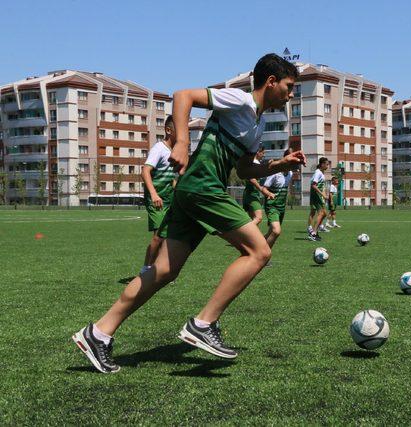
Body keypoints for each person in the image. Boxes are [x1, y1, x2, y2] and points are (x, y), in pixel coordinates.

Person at [72, 53, 305, 373]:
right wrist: (181, 142)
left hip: (195, 191)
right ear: (271, 82)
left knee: (164, 270)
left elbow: (243, 167)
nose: (291, 94)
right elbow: (184, 96)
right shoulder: (239, 100)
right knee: (259, 251)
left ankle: (98, 333)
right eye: (289, 87)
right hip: (202, 187)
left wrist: (279, 164)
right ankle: (204, 324)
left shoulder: (257, 123)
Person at [139, 116, 177, 274]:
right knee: (159, 236)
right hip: (156, 199)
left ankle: (160, 269)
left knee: (169, 236)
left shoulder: (176, 151)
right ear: (168, 130)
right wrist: (154, 194)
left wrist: (176, 186)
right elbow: (145, 171)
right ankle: (146, 269)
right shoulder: (159, 149)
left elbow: (171, 176)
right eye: (180, 128)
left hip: (169, 199)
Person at [262, 149, 294, 250]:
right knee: (276, 231)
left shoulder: (290, 174)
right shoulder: (275, 173)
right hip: (272, 206)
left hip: (281, 208)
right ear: (284, 159)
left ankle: (256, 247)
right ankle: (263, 257)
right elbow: (264, 188)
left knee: (271, 233)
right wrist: (269, 194)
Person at [242, 146, 271, 225]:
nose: (264, 155)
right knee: (258, 217)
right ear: (258, 152)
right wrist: (261, 189)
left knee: (252, 220)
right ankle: (245, 231)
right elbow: (251, 178)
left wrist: (268, 165)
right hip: (252, 195)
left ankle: (247, 236)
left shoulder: (255, 163)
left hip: (250, 194)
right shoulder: (253, 163)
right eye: (263, 153)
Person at [307, 157, 329, 241]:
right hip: (316, 195)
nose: (327, 166)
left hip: (317, 195)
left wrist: (323, 193)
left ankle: (314, 231)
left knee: (324, 213)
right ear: (322, 164)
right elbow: (313, 185)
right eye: (326, 164)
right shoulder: (318, 172)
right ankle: (313, 233)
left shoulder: (321, 173)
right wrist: (322, 194)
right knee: (322, 213)